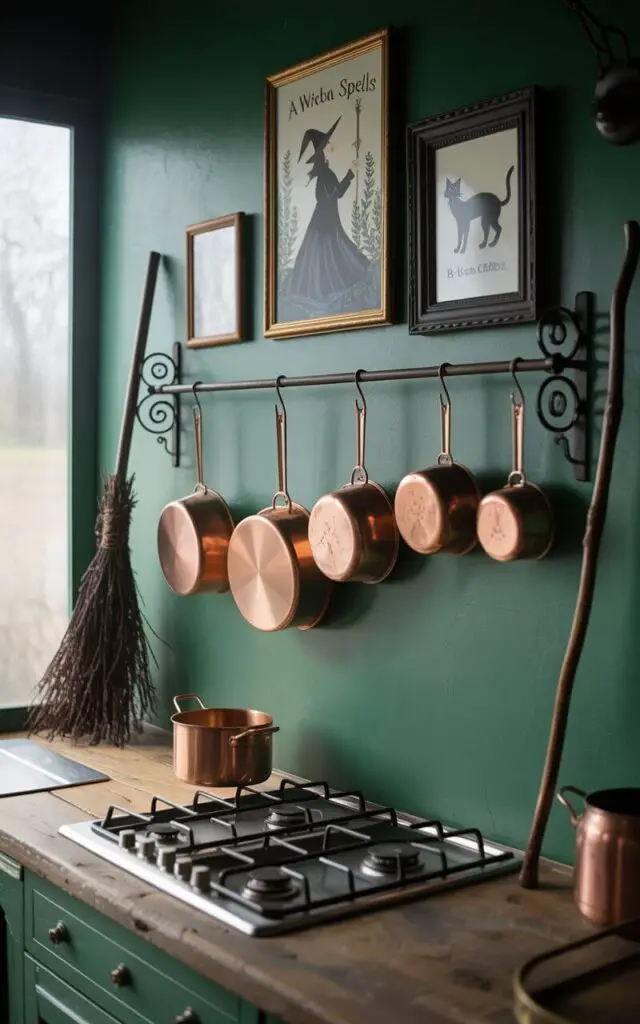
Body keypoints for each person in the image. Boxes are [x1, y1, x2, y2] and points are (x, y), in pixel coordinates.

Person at [286, 116, 369, 308]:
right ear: (323, 148)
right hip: (325, 218)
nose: (332, 144)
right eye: (328, 142)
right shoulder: (324, 172)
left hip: (326, 216)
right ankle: (321, 289)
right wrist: (350, 172)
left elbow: (332, 194)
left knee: (327, 250)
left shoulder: (325, 171)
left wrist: (348, 174)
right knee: (325, 251)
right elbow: (333, 194)